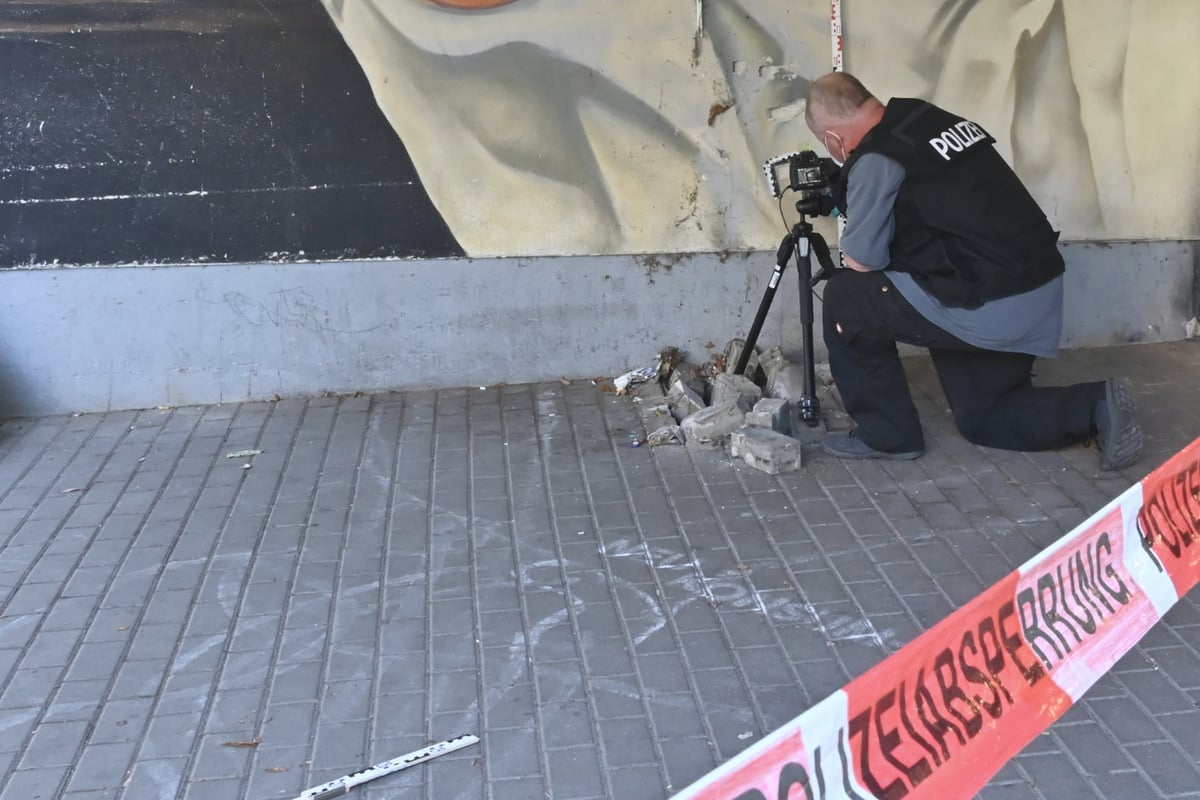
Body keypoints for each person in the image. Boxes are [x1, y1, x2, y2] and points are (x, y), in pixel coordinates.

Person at [803, 72, 1142, 470]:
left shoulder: (876, 158)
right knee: (985, 418)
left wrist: (851, 190)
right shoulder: (925, 117)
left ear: (832, 141)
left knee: (847, 299)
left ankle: (887, 435)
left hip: (986, 301)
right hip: (1032, 287)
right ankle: (1097, 404)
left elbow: (863, 261)